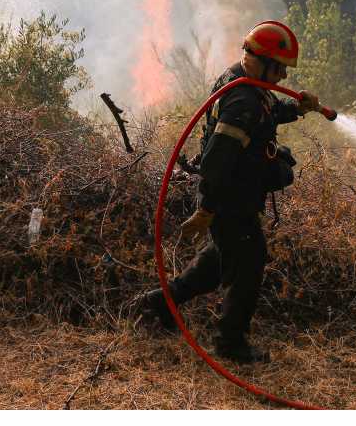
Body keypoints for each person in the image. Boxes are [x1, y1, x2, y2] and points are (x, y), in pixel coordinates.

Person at [136, 20, 319, 363]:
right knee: (249, 262)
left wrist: (297, 109)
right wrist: (206, 210)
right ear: (259, 60)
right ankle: (230, 343)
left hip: (236, 195)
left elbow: (268, 112)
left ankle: (160, 303)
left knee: (219, 260)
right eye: (278, 67)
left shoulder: (246, 84)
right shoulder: (242, 101)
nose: (281, 76)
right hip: (230, 198)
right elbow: (217, 161)